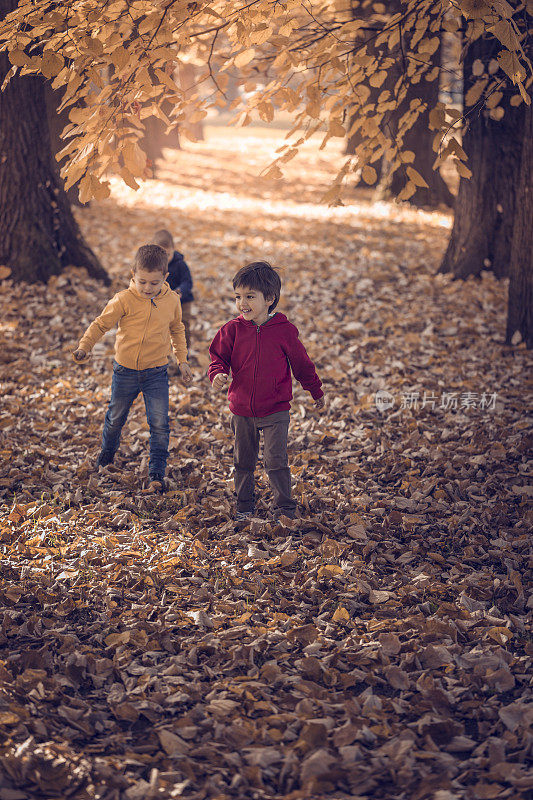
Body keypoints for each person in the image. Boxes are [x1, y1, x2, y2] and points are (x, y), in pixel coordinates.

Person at [208, 261, 325, 522]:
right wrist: (217, 374)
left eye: (250, 297)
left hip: (275, 409)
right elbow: (217, 358)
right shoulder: (232, 330)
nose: (242, 303)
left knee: (276, 461)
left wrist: (315, 390)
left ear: (269, 298)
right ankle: (244, 505)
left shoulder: (284, 331)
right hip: (242, 410)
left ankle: (284, 508)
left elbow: (302, 364)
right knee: (243, 462)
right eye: (238, 297)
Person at [73, 244, 193, 491]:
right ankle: (106, 455)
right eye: (142, 282)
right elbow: (101, 324)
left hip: (156, 373)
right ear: (133, 274)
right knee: (115, 418)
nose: (148, 288)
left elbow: (177, 330)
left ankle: (157, 473)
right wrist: (85, 346)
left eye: (154, 283)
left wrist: (182, 360)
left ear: (165, 278)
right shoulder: (124, 299)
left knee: (159, 423)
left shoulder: (172, 301)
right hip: (125, 372)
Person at [151, 229, 194, 350]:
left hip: (182, 302)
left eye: (168, 254)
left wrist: (180, 291)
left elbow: (188, 282)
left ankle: (184, 351)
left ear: (173, 249)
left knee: (182, 326)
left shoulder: (180, 264)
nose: (164, 259)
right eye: (161, 255)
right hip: (161, 302)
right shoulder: (153, 266)